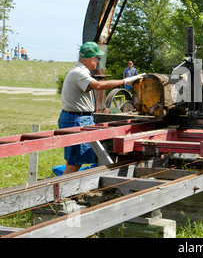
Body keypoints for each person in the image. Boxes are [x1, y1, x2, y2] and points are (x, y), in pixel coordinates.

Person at [58, 42, 145, 175]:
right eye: (97, 59)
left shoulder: (78, 71)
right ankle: (61, 192)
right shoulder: (79, 73)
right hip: (76, 119)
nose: (98, 62)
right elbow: (98, 85)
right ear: (92, 58)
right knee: (74, 162)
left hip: (78, 117)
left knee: (74, 160)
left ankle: (66, 190)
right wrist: (126, 81)